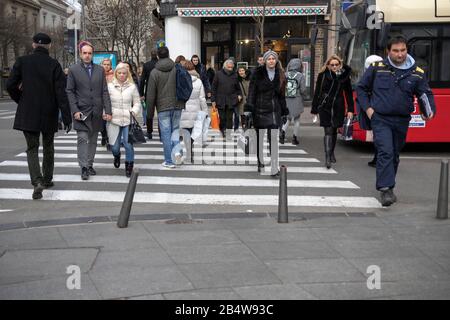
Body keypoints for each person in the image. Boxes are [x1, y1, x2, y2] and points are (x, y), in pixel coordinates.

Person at [356, 36, 435, 206]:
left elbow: (425, 94)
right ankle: (385, 190)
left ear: (407, 50)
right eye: (396, 51)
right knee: (386, 151)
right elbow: (361, 89)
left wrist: (428, 111)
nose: (400, 54)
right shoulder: (377, 69)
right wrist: (369, 111)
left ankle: (390, 186)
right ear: (388, 51)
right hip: (380, 119)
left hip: (401, 120)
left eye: (403, 50)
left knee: (394, 154)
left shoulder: (417, 73)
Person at [6, 33, 72, 200]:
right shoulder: (54, 64)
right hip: (49, 111)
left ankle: (37, 181)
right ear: (49, 46)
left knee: (32, 148)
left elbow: (10, 85)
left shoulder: (22, 61)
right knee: (48, 146)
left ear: (34, 44)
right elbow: (61, 94)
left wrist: (20, 99)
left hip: (28, 111)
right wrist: (66, 117)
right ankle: (47, 179)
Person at [66, 41, 112, 180]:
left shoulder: (99, 70)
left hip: (96, 111)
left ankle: (90, 164)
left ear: (92, 55)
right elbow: (70, 91)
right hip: (81, 111)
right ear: (80, 54)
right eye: (84, 53)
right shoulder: (73, 70)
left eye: (89, 53)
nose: (87, 56)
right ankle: (84, 167)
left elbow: (104, 91)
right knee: (82, 138)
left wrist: (108, 110)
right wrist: (74, 109)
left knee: (93, 140)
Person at [245, 50, 288, 176]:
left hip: (274, 111)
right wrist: (249, 108)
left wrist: (284, 111)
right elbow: (252, 91)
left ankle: (274, 167)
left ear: (276, 60)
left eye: (273, 59)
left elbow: (282, 95)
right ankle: (260, 162)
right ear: (264, 60)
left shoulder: (280, 73)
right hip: (260, 109)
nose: (271, 61)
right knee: (260, 138)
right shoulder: (257, 73)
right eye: (268, 59)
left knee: (273, 139)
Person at [311, 54, 354, 169]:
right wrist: (314, 109)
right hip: (325, 106)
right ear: (328, 66)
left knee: (334, 130)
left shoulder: (344, 77)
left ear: (340, 65)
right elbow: (317, 93)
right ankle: (327, 157)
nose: (334, 66)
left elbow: (349, 93)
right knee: (328, 131)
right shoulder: (323, 75)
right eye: (332, 65)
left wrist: (350, 109)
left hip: (338, 106)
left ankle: (332, 152)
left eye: (337, 64)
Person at [146, 46, 185, 169]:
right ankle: (177, 155)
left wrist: (149, 114)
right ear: (168, 54)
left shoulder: (154, 72)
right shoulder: (176, 68)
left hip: (162, 107)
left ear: (158, 56)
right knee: (175, 131)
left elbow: (151, 95)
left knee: (166, 134)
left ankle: (169, 160)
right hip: (177, 104)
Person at [106, 62, 141, 177]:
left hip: (128, 119)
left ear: (127, 74)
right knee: (115, 147)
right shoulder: (110, 86)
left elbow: (137, 102)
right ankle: (117, 155)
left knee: (128, 144)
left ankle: (129, 165)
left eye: (124, 73)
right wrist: (105, 113)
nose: (122, 75)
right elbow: (105, 102)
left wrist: (134, 111)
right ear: (116, 74)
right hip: (114, 119)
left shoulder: (132, 87)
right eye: (119, 73)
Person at [179, 61, 208, 163]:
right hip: (195, 109)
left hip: (183, 109)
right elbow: (202, 98)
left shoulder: (180, 80)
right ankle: (190, 150)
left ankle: (188, 153)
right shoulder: (199, 81)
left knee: (186, 132)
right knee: (192, 132)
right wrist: (205, 111)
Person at [211, 59, 242, 136]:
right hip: (220, 99)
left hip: (231, 100)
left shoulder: (235, 75)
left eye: (232, 67)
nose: (230, 69)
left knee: (229, 118)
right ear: (225, 66)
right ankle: (222, 130)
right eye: (229, 67)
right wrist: (213, 100)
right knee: (222, 117)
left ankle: (228, 132)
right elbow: (214, 88)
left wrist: (239, 95)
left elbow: (238, 88)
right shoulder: (218, 74)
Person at [363, 55, 384, 168]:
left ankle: (378, 158)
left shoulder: (373, 77)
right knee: (379, 135)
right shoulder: (383, 75)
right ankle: (378, 157)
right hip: (378, 108)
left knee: (378, 135)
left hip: (376, 109)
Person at [281, 58, 307, 145]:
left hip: (287, 98)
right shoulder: (301, 76)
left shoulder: (285, 74)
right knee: (297, 119)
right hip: (297, 98)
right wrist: (304, 97)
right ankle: (294, 138)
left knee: (288, 118)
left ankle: (282, 133)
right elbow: (303, 90)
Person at [139, 50, 158, 139]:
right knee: (161, 112)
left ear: (151, 55)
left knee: (149, 113)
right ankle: (162, 132)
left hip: (149, 91)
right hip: (160, 91)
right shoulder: (159, 64)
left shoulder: (146, 65)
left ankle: (149, 132)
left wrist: (141, 93)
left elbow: (142, 80)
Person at [100, 58, 114, 148]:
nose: (106, 66)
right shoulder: (98, 74)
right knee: (101, 122)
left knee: (109, 121)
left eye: (108, 64)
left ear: (111, 65)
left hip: (110, 101)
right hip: (100, 101)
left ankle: (109, 138)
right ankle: (104, 135)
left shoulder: (114, 75)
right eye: (104, 64)